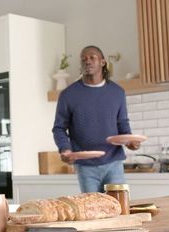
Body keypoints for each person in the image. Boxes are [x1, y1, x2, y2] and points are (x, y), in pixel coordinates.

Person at [52, 45, 140, 193]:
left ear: (103, 62)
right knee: (93, 211)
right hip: (85, 167)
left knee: (119, 208)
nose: (87, 61)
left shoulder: (117, 92)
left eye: (92, 57)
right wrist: (65, 149)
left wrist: (130, 142)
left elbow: (122, 123)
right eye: (83, 59)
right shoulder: (68, 95)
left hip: (114, 163)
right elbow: (59, 128)